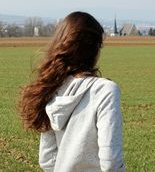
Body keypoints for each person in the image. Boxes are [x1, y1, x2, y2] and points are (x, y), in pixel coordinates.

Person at [19, 11, 125, 172]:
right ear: (94, 49)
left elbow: (47, 160)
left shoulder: (50, 86)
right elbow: (111, 163)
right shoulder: (105, 91)